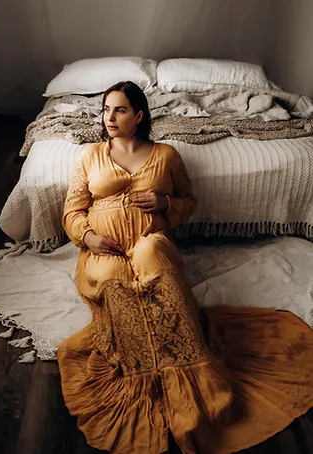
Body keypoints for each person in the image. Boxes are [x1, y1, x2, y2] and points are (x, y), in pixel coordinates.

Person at [57, 81, 313, 454]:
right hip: (103, 250)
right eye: (106, 110)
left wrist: (164, 204)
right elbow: (71, 210)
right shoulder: (90, 156)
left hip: (149, 239)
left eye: (120, 110)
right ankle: (143, 381)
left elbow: (187, 201)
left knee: (162, 278)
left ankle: (198, 377)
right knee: (116, 287)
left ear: (139, 115)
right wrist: (90, 238)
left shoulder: (166, 154)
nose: (109, 117)